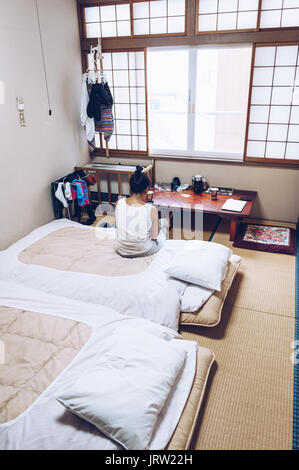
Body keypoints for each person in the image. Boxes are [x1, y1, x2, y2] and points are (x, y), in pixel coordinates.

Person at [115, 166, 168, 258]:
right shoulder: (151, 209)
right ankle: (166, 222)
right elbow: (154, 237)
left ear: (130, 187)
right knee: (163, 228)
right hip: (143, 250)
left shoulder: (118, 203)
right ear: (147, 189)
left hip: (121, 249)